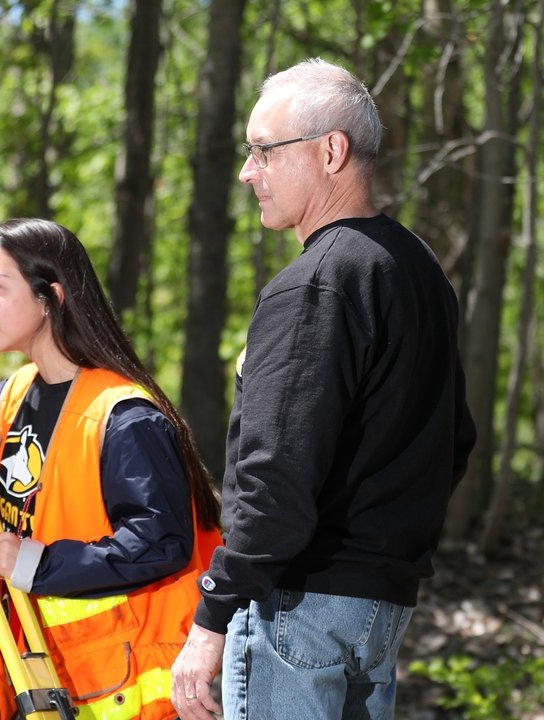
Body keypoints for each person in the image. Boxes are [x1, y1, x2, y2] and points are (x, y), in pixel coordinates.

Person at [169, 58, 476, 720]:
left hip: (298, 607)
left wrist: (212, 618)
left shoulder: (318, 283)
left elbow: (275, 475)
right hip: (377, 608)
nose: (249, 172)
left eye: (263, 152)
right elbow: (456, 443)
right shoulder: (418, 270)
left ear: (331, 151)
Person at [0, 218, 224, 720]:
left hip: (124, 693)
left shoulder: (125, 417)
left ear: (51, 297)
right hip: (46, 679)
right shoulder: (15, 396)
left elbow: (161, 542)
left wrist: (35, 564)